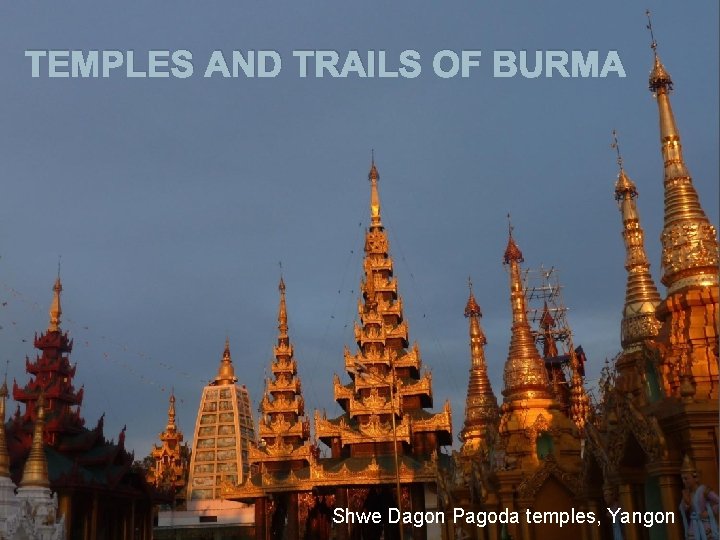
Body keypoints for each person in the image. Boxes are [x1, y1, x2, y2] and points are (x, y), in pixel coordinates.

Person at [679, 454, 719, 540]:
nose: (684, 481)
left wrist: (709, 512)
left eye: (686, 478)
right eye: (683, 479)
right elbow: (682, 508)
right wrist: (685, 506)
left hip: (705, 525)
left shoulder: (703, 490)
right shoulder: (687, 493)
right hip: (693, 525)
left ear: (695, 478)